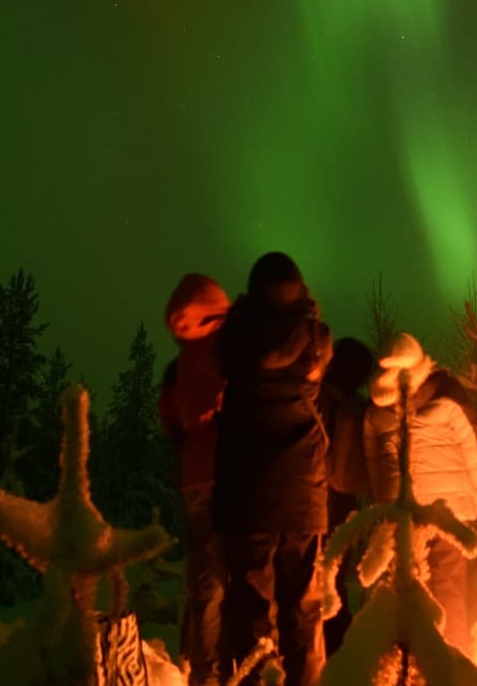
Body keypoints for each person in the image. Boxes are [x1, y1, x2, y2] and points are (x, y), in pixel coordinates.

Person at [213, 252, 333, 686]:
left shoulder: (233, 341)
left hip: (247, 495)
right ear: (300, 291)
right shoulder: (317, 339)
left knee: (251, 611)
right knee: (304, 609)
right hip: (303, 490)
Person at [363, 332, 477, 650]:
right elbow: (471, 455)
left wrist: (384, 507)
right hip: (451, 512)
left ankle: (416, 666)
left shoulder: (377, 417)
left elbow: (375, 468)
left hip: (406, 515)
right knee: (449, 590)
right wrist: (476, 501)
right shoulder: (448, 406)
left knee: (408, 590)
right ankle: (453, 662)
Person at [158, 273, 231, 686]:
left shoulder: (179, 364)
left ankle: (201, 667)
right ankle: (219, 672)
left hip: (193, 480)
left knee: (204, 579)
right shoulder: (227, 352)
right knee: (228, 581)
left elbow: (170, 421)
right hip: (227, 475)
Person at [319, 336, 375, 655]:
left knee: (322, 578)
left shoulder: (317, 400)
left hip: (319, 498)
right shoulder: (358, 409)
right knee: (333, 577)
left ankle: (331, 650)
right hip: (342, 501)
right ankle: (340, 649)